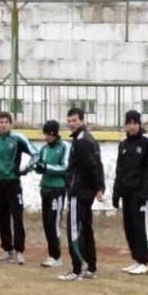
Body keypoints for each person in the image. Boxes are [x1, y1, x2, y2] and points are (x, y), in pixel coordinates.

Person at [0, 111, 38, 265]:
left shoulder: (18, 138)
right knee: (1, 217)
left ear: (11, 124)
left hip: (13, 183)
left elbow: (36, 154)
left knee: (17, 217)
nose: (3, 125)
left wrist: (26, 169)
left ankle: (19, 251)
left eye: (6, 122)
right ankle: (7, 250)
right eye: (1, 122)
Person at [59, 107, 105, 281]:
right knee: (86, 229)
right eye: (69, 121)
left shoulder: (82, 140)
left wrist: (97, 188)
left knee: (74, 230)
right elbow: (97, 165)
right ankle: (91, 267)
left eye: (74, 120)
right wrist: (99, 187)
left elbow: (92, 167)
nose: (71, 124)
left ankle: (77, 269)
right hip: (85, 192)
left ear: (82, 120)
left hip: (78, 193)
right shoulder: (86, 138)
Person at [112, 109, 148, 275]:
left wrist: (145, 193)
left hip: (140, 194)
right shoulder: (123, 143)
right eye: (129, 123)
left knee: (140, 227)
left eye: (135, 123)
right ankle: (136, 259)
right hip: (126, 193)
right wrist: (116, 193)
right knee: (129, 227)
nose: (132, 126)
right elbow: (120, 169)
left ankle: (144, 261)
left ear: (139, 124)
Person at [26, 120, 70, 268]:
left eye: (49, 134)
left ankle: (57, 256)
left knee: (54, 223)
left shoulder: (64, 147)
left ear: (55, 134)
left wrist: (46, 168)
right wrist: (36, 168)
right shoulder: (44, 149)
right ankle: (52, 255)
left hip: (57, 189)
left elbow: (64, 167)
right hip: (45, 188)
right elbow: (39, 163)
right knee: (46, 223)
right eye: (45, 134)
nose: (47, 137)